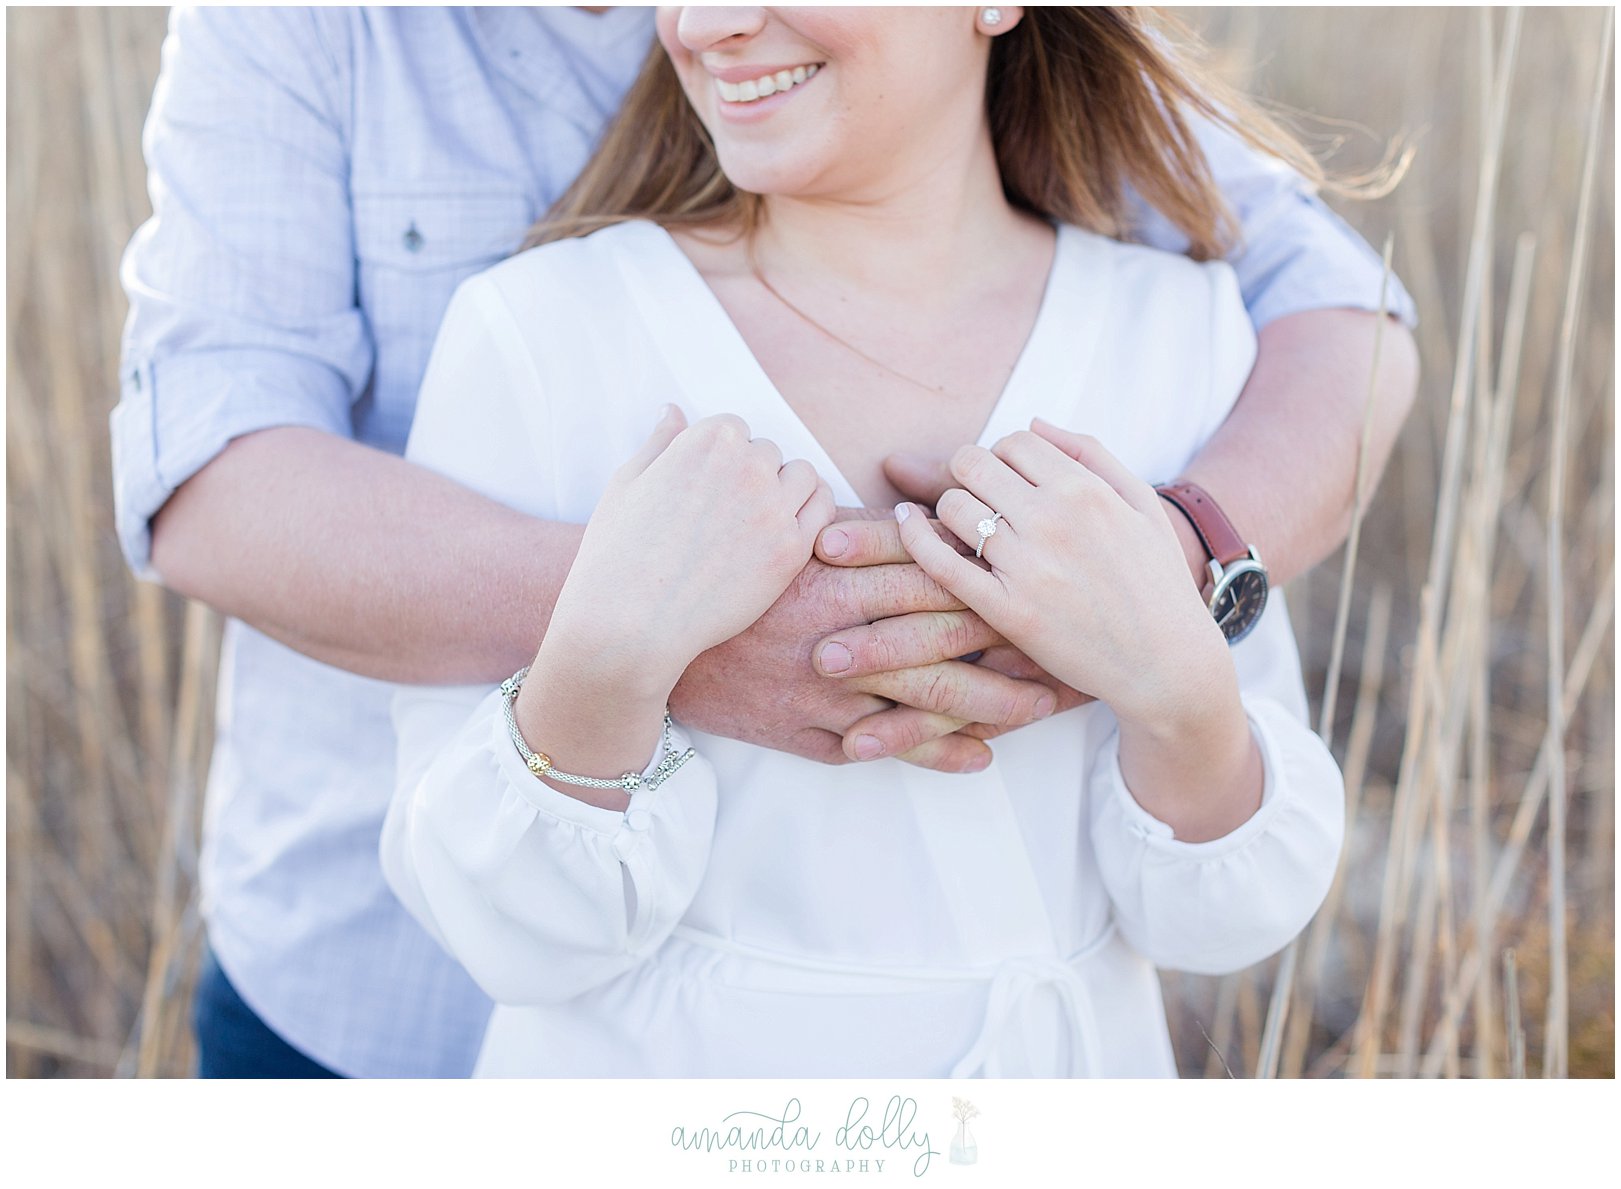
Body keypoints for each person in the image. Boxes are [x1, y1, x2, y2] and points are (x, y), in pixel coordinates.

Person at [114, 6, 1416, 1078]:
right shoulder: (524, 310)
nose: (705, 24)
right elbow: (207, 467)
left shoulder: (1162, 326)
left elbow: (1336, 308)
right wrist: (651, 631)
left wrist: (1162, 609)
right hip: (363, 983)